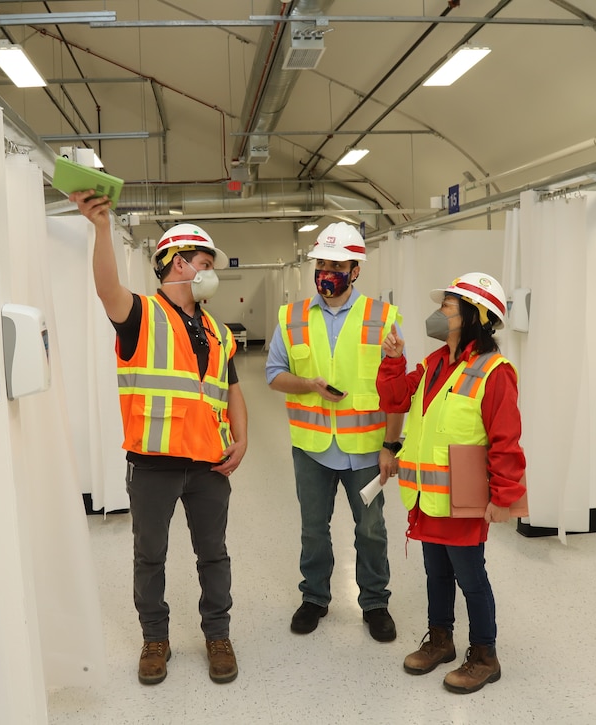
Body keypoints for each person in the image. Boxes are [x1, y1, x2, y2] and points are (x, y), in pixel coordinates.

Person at [69, 190, 248, 686]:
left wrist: (244, 436)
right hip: (153, 465)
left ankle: (217, 634)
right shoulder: (140, 315)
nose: (208, 269)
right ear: (172, 262)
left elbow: (230, 386)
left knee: (214, 553)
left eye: (211, 262)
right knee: (150, 556)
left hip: (210, 463)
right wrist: (103, 228)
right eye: (201, 261)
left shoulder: (217, 328)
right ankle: (155, 639)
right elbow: (107, 289)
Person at [375, 272, 526, 695]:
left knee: (470, 577)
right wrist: (394, 360)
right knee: (435, 573)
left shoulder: (495, 371)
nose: (438, 312)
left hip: (463, 497)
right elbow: (394, 399)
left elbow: (505, 439)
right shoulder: (434, 362)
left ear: (475, 316)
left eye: (447, 306)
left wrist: (505, 497)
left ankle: (485, 655)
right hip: (427, 494)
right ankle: (440, 639)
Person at [265, 222, 403, 643]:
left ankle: (376, 603)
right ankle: (314, 598)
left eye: (336, 264)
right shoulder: (292, 317)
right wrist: (309, 385)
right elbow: (273, 374)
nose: (327, 271)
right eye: (321, 263)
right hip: (311, 447)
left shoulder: (382, 318)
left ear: (355, 269)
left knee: (371, 530)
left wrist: (390, 447)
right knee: (313, 527)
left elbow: (397, 393)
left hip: (365, 449)